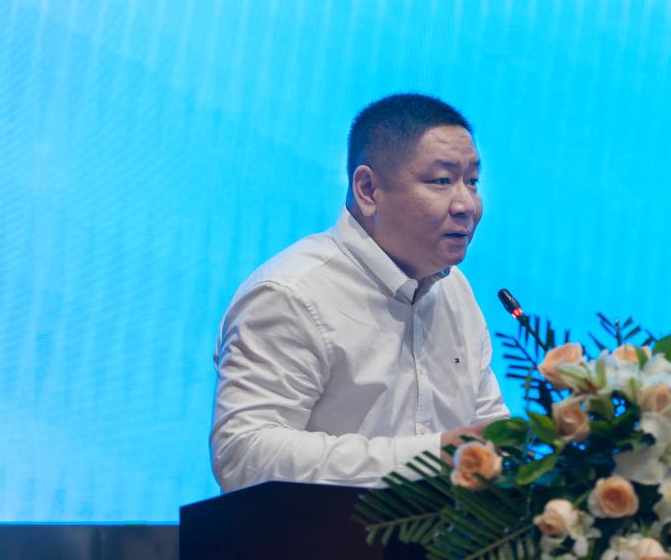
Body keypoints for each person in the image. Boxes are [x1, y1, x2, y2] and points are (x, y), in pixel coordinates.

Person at [210, 93, 509, 491]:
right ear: (368, 190)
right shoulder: (289, 294)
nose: (466, 204)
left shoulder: (455, 290)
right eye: (441, 181)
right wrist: (433, 456)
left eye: (472, 182)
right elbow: (243, 455)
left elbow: (486, 428)